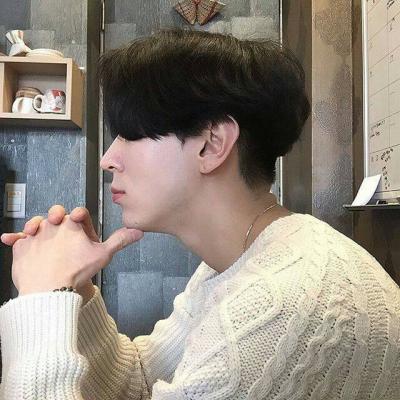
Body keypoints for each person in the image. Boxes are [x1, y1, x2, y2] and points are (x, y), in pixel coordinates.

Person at [0, 28, 399, 400]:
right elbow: (143, 379)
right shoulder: (244, 256)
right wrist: (76, 288)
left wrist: (41, 299)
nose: (107, 159)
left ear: (212, 144)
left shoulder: (282, 304)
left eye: (130, 134)